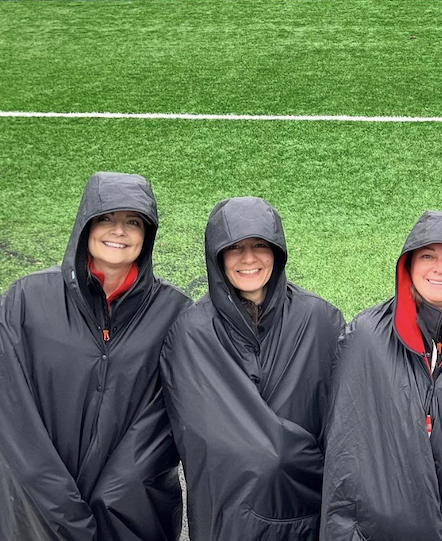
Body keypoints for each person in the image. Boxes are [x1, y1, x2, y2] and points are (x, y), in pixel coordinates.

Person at [0, 172, 192, 541]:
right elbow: (12, 411)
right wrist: (59, 503)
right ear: (85, 224)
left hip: (133, 512)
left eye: (133, 222)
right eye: (106, 218)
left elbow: (170, 416)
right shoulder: (26, 299)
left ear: (147, 235)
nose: (118, 231)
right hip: (37, 511)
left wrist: (118, 494)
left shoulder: (175, 311)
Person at [321, 210, 442, 540]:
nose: (439, 268)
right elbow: (343, 455)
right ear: (410, 264)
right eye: (428, 255)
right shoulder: (365, 337)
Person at [161, 197, 344, 541]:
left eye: (260, 245)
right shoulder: (190, 333)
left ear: (278, 251)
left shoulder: (320, 320)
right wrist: (284, 458)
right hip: (227, 519)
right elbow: (202, 442)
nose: (249, 258)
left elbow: (343, 423)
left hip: (307, 514)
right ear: (218, 257)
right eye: (235, 247)